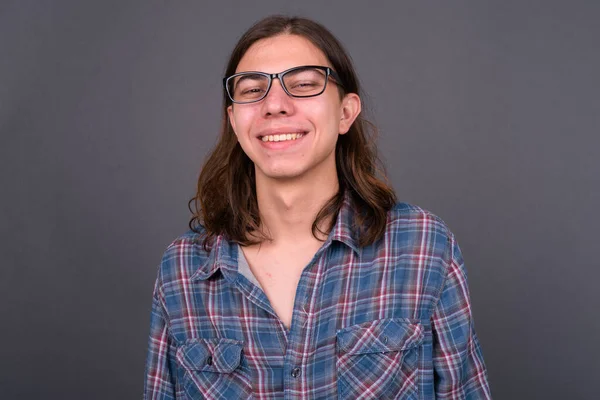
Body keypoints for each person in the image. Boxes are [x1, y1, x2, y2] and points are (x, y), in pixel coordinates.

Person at [144, 15, 491, 399]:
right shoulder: (181, 270)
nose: (274, 105)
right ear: (233, 121)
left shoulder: (424, 247)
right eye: (252, 89)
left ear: (345, 113)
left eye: (304, 84)